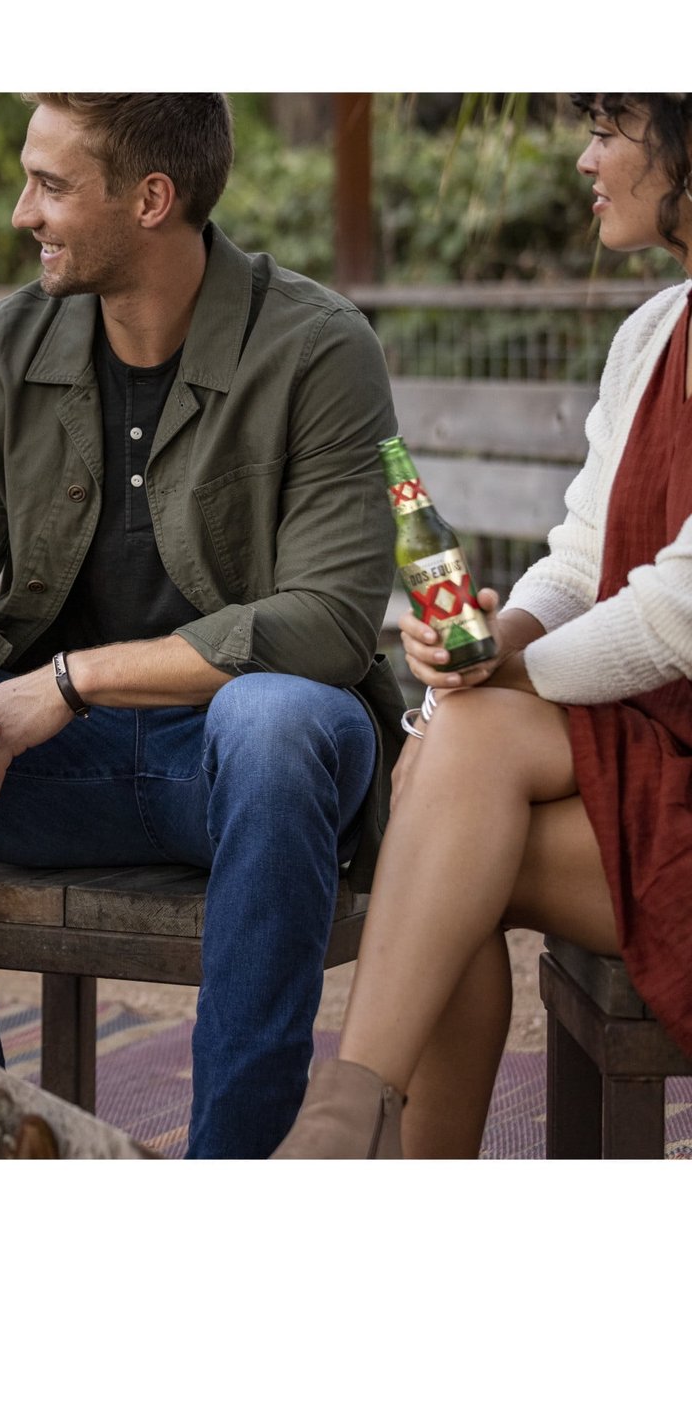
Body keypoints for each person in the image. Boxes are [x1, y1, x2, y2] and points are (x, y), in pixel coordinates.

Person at [0, 94, 405, 1158]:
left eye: (50, 185)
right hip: (37, 771)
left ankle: (231, 1165)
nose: (24, 212)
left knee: (277, 719)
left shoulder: (315, 346)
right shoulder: (8, 342)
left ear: (150, 199)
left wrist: (70, 682)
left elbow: (329, 623)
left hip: (242, 774)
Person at [273, 93, 692, 1159]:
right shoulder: (653, 334)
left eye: (610, 130)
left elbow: (676, 616)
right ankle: (369, 1137)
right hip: (656, 769)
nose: (586, 159)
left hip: (670, 771)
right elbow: (581, 558)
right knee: (452, 807)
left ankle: (346, 1136)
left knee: (448, 802)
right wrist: (492, 642)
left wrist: (501, 683)